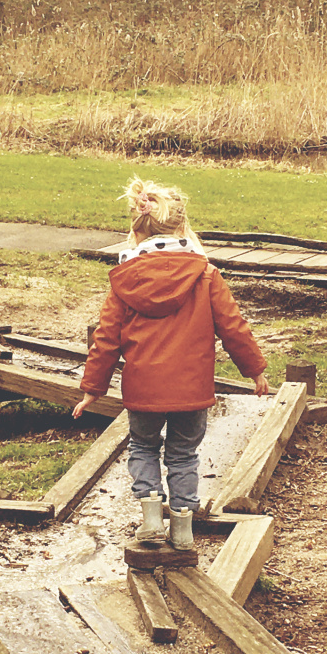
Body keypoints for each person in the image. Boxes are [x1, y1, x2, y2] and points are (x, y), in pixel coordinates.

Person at [72, 176, 269, 550]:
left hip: (144, 388)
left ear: (137, 231)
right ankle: (182, 530)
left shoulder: (124, 280)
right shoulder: (206, 275)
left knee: (143, 448)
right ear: (182, 227)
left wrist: (91, 390)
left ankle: (150, 517)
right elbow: (234, 327)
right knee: (183, 455)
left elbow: (106, 339)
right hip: (192, 389)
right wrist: (254, 369)